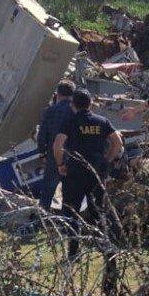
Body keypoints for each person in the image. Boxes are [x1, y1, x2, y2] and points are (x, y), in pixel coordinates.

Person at [53, 89, 123, 259]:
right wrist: (108, 160)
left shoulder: (69, 121)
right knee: (99, 211)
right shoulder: (102, 121)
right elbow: (117, 142)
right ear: (90, 104)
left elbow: (58, 144)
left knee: (72, 211)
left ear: (72, 105)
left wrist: (61, 164)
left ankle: (73, 252)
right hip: (96, 172)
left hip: (75, 172)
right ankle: (105, 247)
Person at [34, 80, 75, 210]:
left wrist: (42, 153)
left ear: (58, 94)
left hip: (53, 157)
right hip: (73, 158)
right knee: (70, 193)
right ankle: (67, 222)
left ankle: (41, 219)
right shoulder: (76, 111)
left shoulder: (50, 111)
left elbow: (42, 135)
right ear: (73, 95)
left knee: (47, 191)